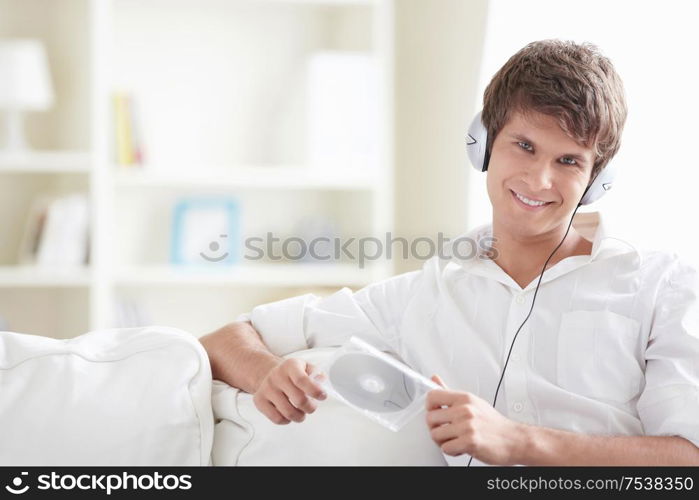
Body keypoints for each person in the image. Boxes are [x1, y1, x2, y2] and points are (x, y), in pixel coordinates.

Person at [199, 39, 699, 466]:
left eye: (568, 160)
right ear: (481, 144)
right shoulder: (424, 294)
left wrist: (519, 441)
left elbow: (688, 456)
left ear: (596, 181)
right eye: (524, 146)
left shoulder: (662, 286)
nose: (540, 179)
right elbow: (226, 337)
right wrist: (266, 373)